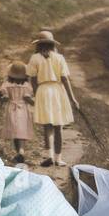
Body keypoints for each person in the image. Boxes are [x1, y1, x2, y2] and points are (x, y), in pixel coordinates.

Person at [26, 30, 79, 168]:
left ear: (38, 45)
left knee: (47, 126)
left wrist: (37, 94)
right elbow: (64, 78)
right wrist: (72, 98)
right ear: (52, 44)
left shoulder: (35, 58)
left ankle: (49, 156)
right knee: (58, 126)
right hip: (57, 91)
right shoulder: (59, 58)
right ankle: (58, 158)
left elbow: (33, 79)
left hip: (43, 91)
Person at [0, 61, 35, 164]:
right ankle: (21, 152)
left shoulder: (7, 84)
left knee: (15, 132)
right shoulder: (27, 85)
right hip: (23, 109)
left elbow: (5, 98)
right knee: (22, 131)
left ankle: (18, 152)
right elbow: (27, 98)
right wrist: (34, 103)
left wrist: (0, 96)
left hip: (12, 109)